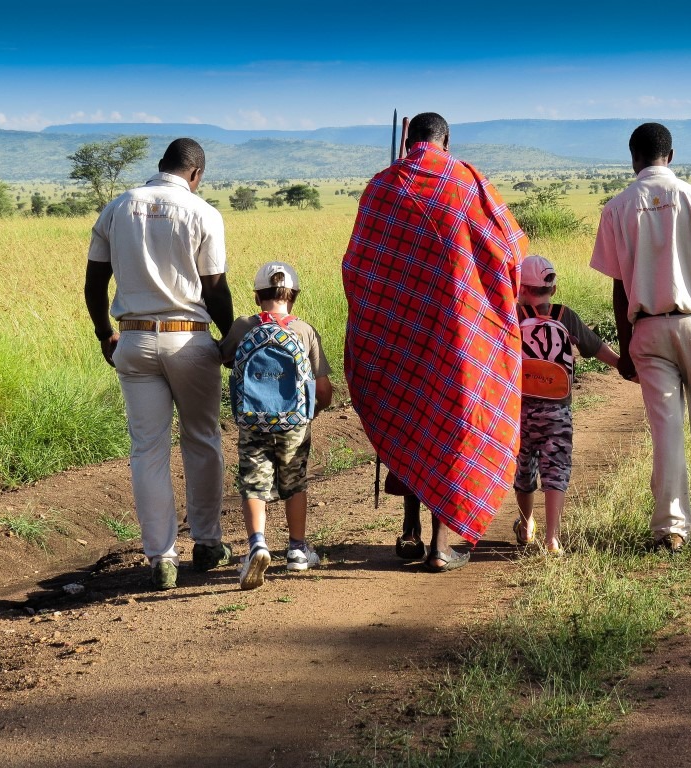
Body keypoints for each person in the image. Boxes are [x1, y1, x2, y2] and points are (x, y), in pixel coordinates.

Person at [342, 111, 527, 572]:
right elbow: (511, 255)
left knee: (408, 414)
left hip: (399, 331)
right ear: (447, 140)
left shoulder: (381, 186)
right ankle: (443, 543)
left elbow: (357, 267)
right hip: (460, 331)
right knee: (455, 424)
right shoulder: (468, 183)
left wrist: (387, 312)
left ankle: (409, 530)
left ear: (407, 140)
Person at [589, 122, 691, 554]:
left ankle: (670, 529)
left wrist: (626, 348)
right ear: (672, 155)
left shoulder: (617, 208)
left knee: (666, 432)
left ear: (633, 158)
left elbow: (620, 287)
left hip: (647, 331)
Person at [84, 138, 235, 590]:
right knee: (203, 439)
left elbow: (93, 285)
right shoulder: (203, 212)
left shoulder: (117, 208)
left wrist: (104, 335)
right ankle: (207, 544)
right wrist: (228, 340)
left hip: (132, 340)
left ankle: (161, 559)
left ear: (160, 166)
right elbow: (215, 289)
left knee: (147, 450)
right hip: (188, 340)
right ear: (196, 174)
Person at [219, 262, 334, 589]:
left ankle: (257, 544)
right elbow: (323, 389)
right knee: (294, 482)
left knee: (253, 483)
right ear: (293, 296)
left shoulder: (243, 327)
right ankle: (297, 550)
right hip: (294, 423)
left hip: (253, 420)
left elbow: (222, 356)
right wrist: (311, 410)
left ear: (257, 296)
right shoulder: (304, 330)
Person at [512, 255, 620, 553]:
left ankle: (525, 524)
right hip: (557, 408)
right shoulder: (565, 316)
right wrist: (626, 367)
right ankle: (552, 538)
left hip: (519, 409)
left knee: (524, 469)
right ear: (553, 290)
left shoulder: (512, 316)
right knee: (555, 468)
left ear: (519, 288)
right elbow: (596, 347)